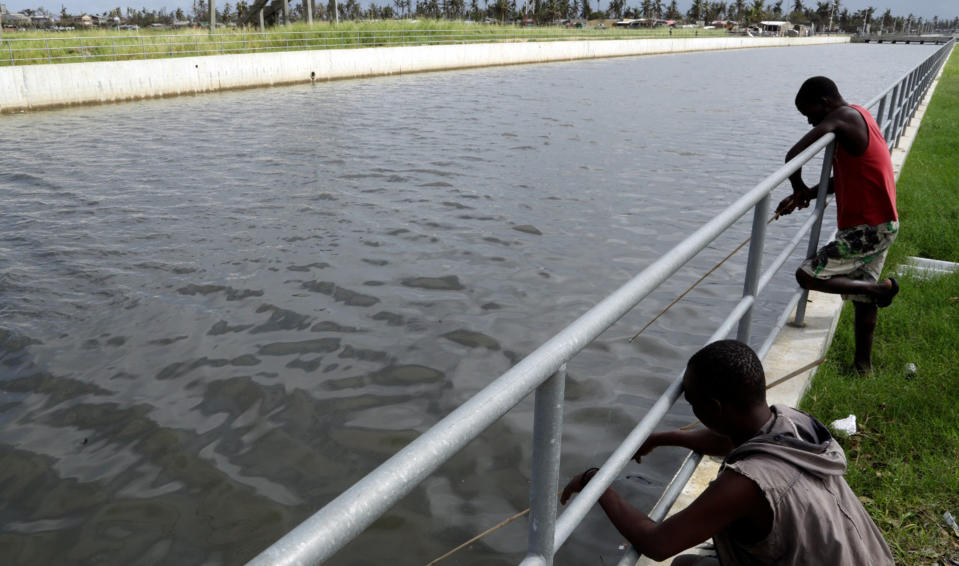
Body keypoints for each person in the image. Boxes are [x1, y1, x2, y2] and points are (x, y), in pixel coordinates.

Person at [560, 340, 894, 565]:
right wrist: (666, 437)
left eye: (692, 402)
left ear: (715, 406)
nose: (691, 409)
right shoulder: (792, 422)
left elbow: (657, 543)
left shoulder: (746, 484)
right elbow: (729, 442)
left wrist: (596, 482)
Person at [775, 76, 899, 373]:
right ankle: (862, 367)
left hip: (868, 227)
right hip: (880, 222)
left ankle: (881, 291)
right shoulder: (859, 114)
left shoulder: (843, 117)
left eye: (809, 114)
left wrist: (796, 187)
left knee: (807, 275)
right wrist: (806, 193)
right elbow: (841, 180)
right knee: (862, 298)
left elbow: (792, 156)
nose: (809, 122)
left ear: (825, 103)